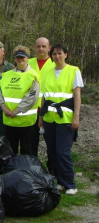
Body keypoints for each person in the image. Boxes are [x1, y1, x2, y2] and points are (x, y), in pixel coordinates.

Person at [39, 43, 83, 196]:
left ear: (66, 54)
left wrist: (76, 116)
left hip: (65, 118)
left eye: (60, 53)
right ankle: (57, 181)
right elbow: (44, 96)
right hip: (49, 118)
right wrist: (41, 117)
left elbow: (77, 95)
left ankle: (69, 183)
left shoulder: (73, 71)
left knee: (63, 152)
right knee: (52, 151)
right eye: (54, 54)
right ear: (51, 57)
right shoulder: (47, 73)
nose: (57, 56)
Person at [0, 46, 40, 155]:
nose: (20, 60)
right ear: (15, 59)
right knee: (10, 151)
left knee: (27, 150)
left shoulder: (32, 76)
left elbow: (31, 98)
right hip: (9, 121)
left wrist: (17, 111)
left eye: (23, 57)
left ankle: (25, 171)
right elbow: (1, 94)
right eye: (18, 58)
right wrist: (3, 107)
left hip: (26, 122)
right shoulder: (7, 75)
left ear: (27, 58)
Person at [28, 37, 55, 157]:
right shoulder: (28, 62)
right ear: (35, 48)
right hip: (30, 109)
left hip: (47, 109)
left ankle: (52, 169)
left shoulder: (55, 63)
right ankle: (32, 166)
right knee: (30, 142)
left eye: (44, 46)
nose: (41, 49)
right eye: (38, 46)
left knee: (51, 142)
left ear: (49, 48)